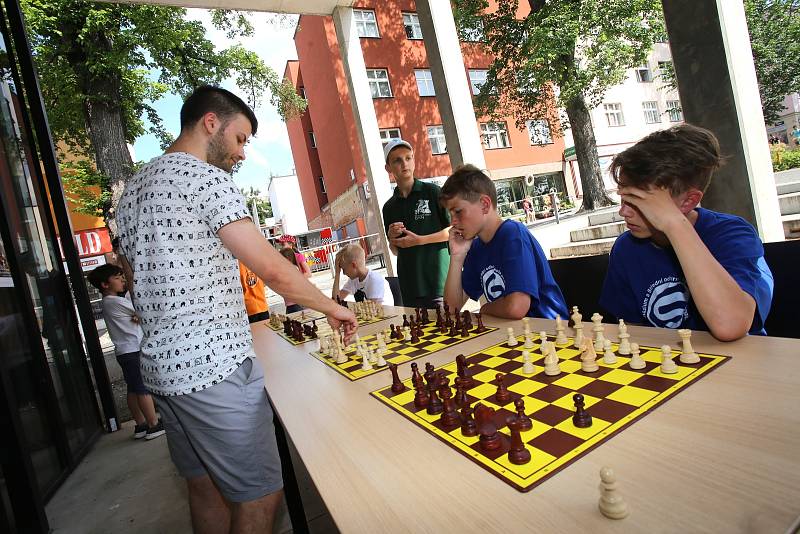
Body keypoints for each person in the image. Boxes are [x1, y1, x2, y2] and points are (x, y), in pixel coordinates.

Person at [115, 85, 357, 533]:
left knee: (203, 486)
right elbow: (270, 267)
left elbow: (132, 277)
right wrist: (331, 307)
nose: (242, 153)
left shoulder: (132, 192)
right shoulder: (206, 180)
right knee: (260, 493)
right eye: (241, 138)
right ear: (211, 123)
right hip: (214, 370)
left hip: (164, 370)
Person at [599, 124, 773, 341]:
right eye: (624, 198)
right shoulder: (627, 247)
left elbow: (730, 326)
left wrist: (674, 224)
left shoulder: (732, 235)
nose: (623, 212)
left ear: (689, 201)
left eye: (640, 202)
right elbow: (631, 329)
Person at [440, 165, 568, 320]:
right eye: (450, 214)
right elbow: (451, 309)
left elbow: (516, 308)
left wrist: (485, 308)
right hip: (514, 331)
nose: (453, 221)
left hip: (548, 331)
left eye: (458, 211)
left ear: (484, 205)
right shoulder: (476, 247)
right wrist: (457, 257)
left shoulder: (513, 234)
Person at [87, 264, 164, 440]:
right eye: (117, 278)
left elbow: (137, 316)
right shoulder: (114, 301)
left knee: (132, 388)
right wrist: (137, 315)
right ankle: (153, 424)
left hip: (124, 351)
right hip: (132, 350)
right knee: (141, 388)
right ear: (105, 285)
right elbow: (141, 313)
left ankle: (140, 424)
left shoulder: (111, 302)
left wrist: (136, 316)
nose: (122, 280)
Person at [381, 138, 451, 308]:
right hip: (409, 287)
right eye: (397, 160)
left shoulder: (433, 192)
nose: (404, 163)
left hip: (438, 283)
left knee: (447, 331)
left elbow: (454, 231)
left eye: (408, 158)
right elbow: (396, 251)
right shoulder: (389, 207)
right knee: (417, 333)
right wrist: (392, 239)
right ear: (388, 168)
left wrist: (420, 240)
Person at [279, 248, 305, 313]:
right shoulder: (289, 268)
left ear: (287, 258)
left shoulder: (292, 269)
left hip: (295, 303)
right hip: (291, 303)